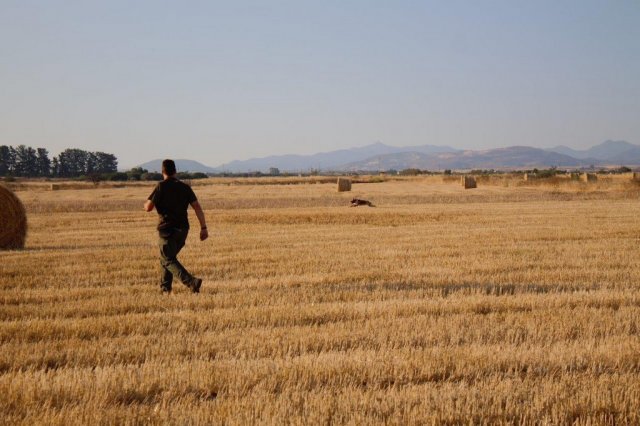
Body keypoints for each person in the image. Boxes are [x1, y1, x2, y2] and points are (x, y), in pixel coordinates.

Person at [144, 159, 208, 293]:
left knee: (167, 259)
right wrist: (203, 227)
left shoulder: (161, 186)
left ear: (162, 172)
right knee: (167, 258)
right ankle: (165, 289)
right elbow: (196, 206)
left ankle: (191, 282)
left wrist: (145, 204)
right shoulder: (185, 187)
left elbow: (148, 207)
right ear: (175, 171)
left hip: (167, 230)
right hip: (183, 230)